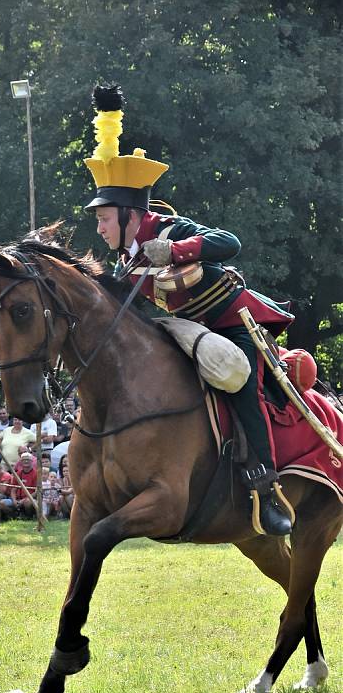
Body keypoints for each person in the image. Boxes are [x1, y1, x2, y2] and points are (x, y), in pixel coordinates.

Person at [82, 83, 294, 536]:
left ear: (127, 214)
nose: (98, 227)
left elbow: (229, 243)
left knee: (240, 384)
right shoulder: (123, 258)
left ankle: (266, 486)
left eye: (102, 218)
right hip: (182, 332)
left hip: (233, 325)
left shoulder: (171, 227)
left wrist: (175, 249)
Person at [0, 451, 37, 520]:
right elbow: (13, 489)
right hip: (17, 499)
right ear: (21, 462)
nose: (26, 461)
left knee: (28, 502)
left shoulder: (36, 474)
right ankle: (14, 516)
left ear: (32, 461)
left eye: (28, 460)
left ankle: (29, 517)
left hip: (29, 498)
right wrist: (14, 500)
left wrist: (23, 500)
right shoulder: (17, 474)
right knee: (2, 503)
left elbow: (36, 492)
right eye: (24, 460)